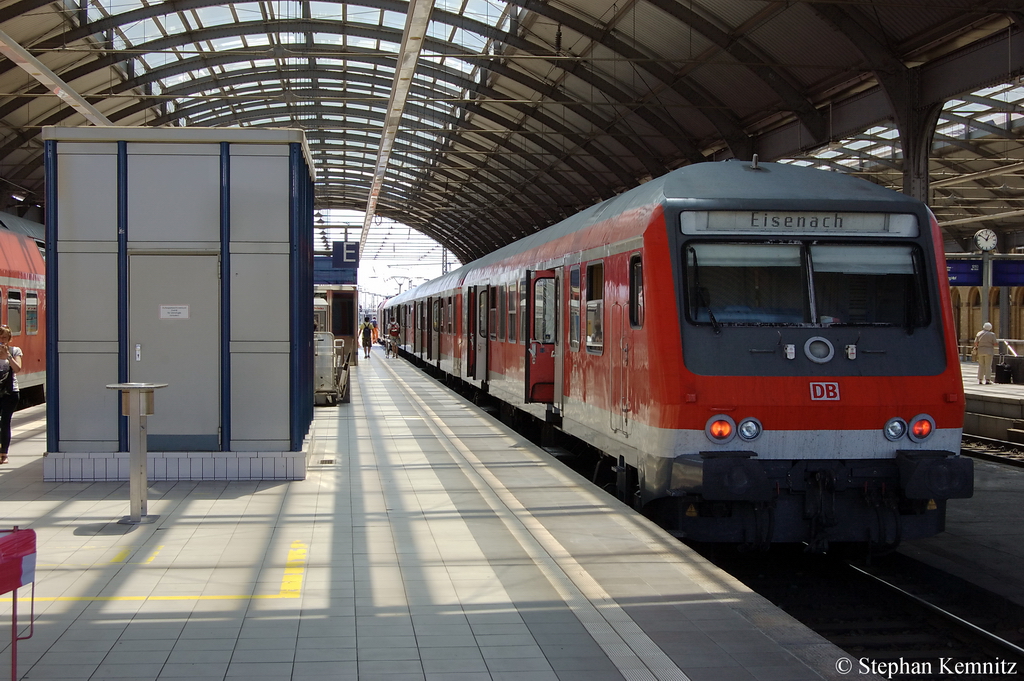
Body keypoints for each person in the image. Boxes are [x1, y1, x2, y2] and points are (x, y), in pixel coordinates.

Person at [0, 325, 22, 464]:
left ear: (9, 339)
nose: (1, 340)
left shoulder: (15, 351)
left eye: (4, 338)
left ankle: (4, 454)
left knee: (5, 422)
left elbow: (18, 368)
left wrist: (7, 356)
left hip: (10, 392)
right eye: (0, 337)